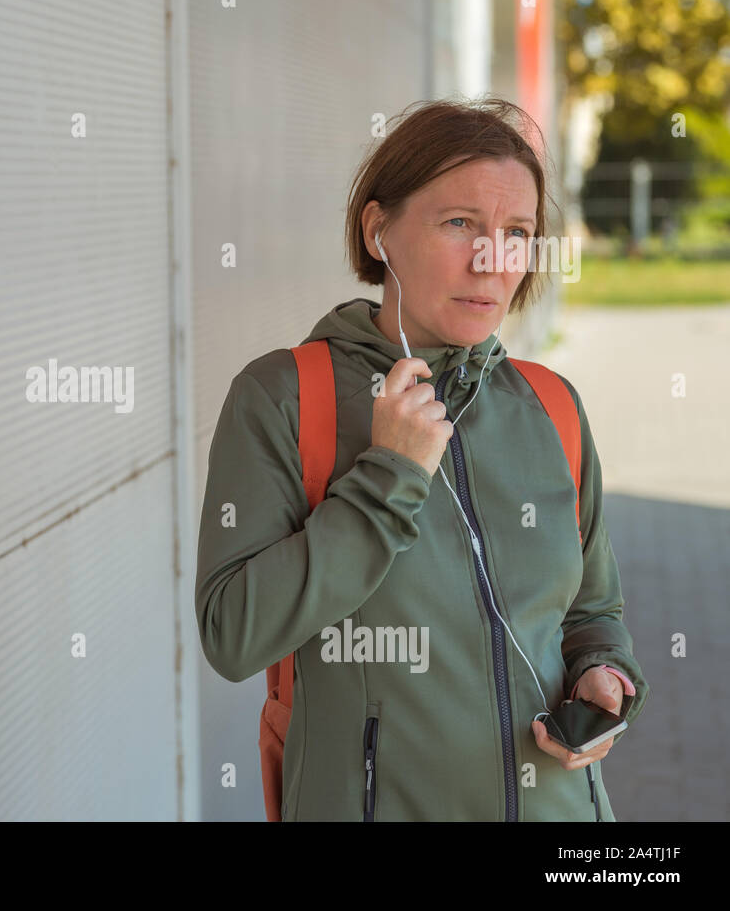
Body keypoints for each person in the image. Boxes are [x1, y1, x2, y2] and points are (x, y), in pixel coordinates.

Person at [194, 97, 648, 821]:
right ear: (379, 231)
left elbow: (594, 610)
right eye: (459, 223)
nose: (490, 258)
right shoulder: (285, 397)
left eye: (517, 232)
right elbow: (231, 634)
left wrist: (604, 672)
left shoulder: (551, 405)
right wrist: (389, 479)